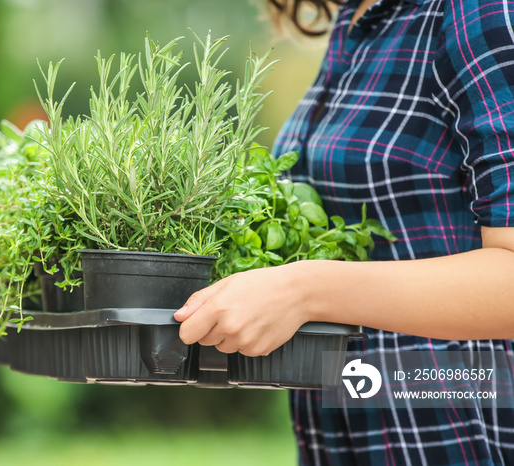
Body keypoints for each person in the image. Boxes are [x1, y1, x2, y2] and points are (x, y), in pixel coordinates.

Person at [174, 0, 514, 464]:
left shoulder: (477, 11)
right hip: (346, 431)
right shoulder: (358, 19)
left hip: (462, 435)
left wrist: (305, 290)